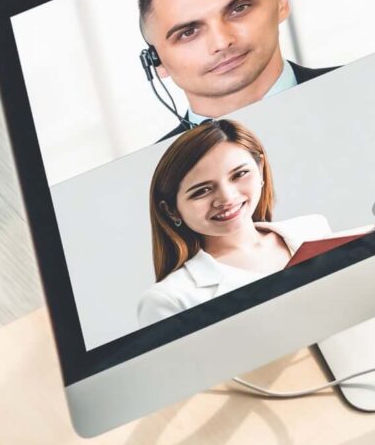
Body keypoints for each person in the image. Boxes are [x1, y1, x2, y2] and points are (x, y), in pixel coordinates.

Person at [138, 0, 331, 141]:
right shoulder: (151, 162)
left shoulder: (359, 86)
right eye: (189, 32)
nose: (222, 42)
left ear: (281, 2)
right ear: (157, 61)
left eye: (239, 8)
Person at [137, 119, 332, 326]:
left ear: (260, 169)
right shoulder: (169, 300)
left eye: (239, 174)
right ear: (171, 210)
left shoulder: (314, 230)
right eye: (202, 191)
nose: (227, 198)